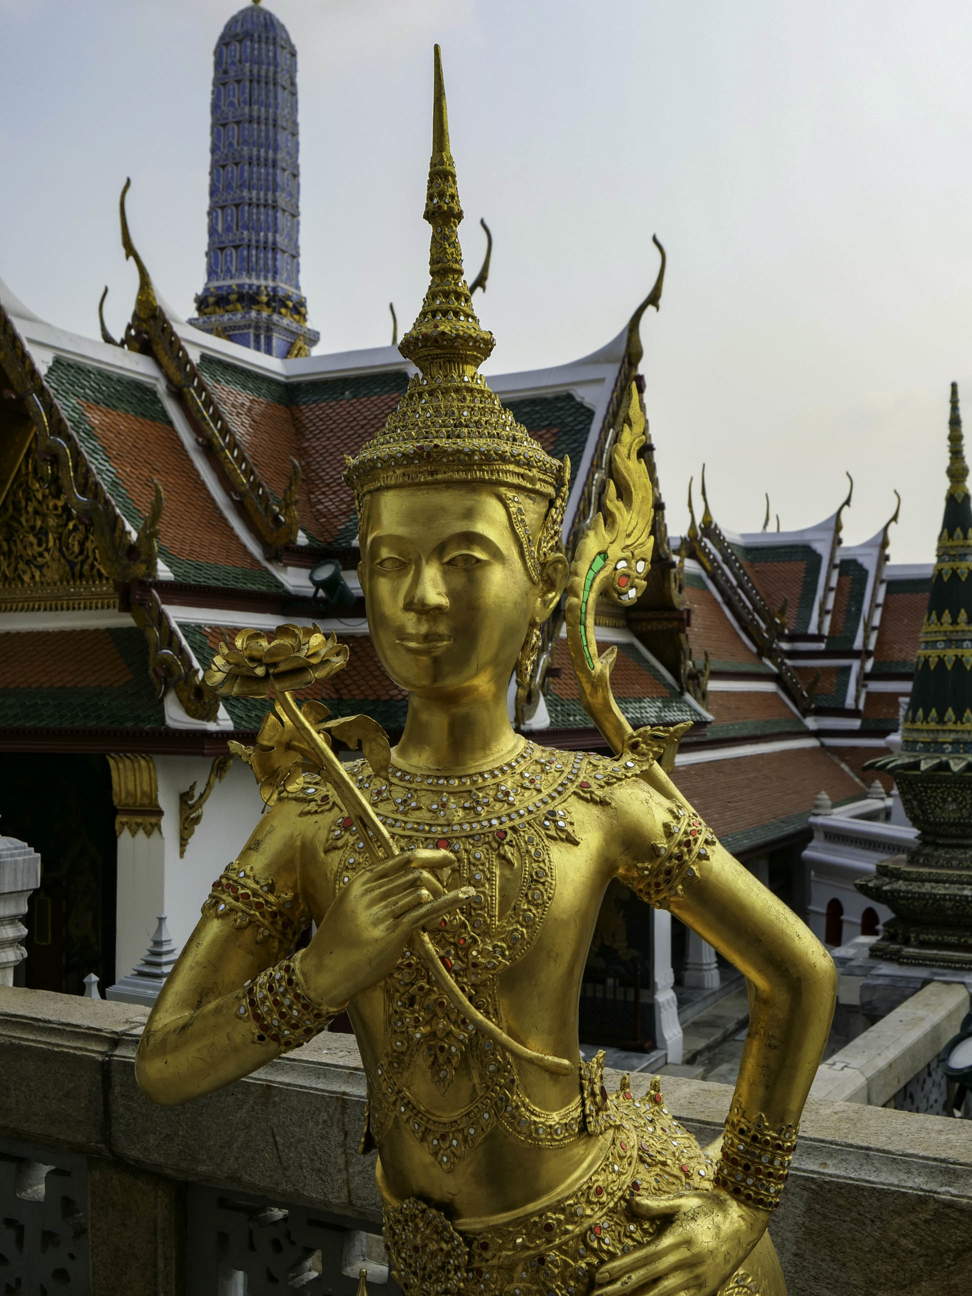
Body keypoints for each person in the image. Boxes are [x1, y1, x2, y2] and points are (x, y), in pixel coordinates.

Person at [136, 48, 836, 1296]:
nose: (421, 597)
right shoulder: (312, 821)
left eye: (466, 558)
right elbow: (165, 1062)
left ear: (540, 588)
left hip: (613, 1248)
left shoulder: (596, 802)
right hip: (429, 1260)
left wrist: (737, 1204)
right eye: (391, 561)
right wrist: (323, 973)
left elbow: (801, 969)